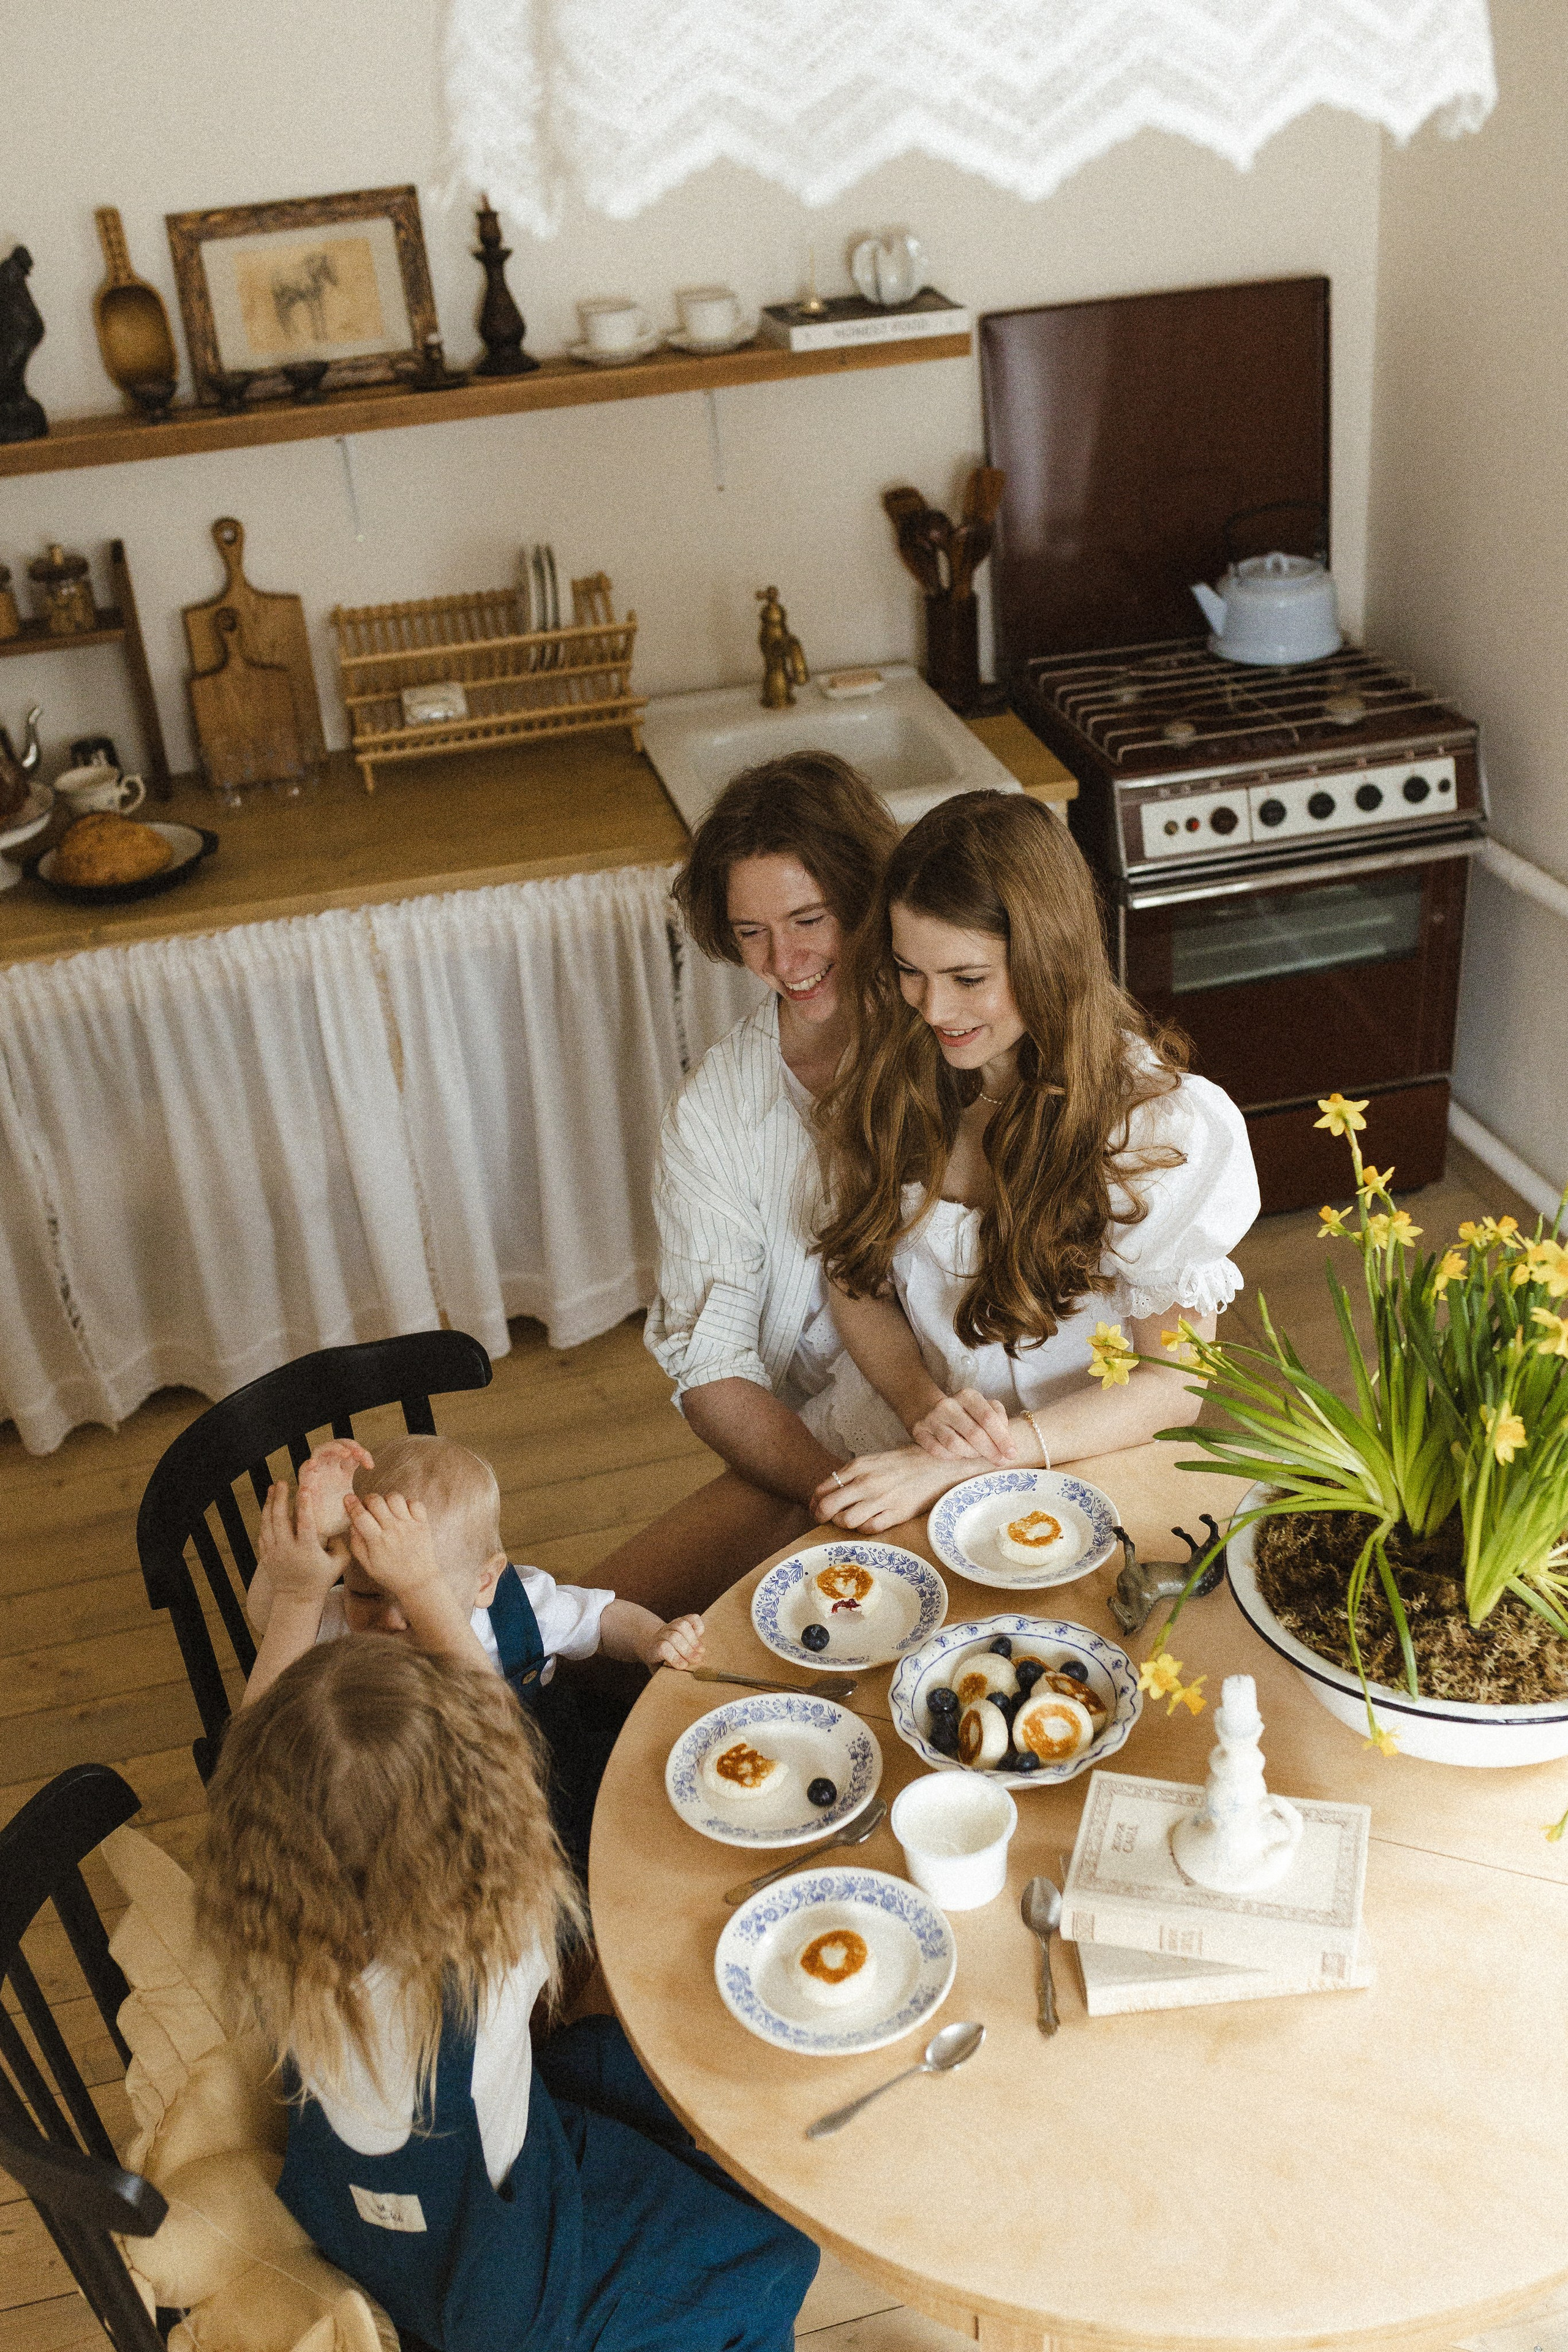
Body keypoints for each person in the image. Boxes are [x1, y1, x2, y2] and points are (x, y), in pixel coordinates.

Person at [195, 1640, 820, 2352]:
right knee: (772, 2257)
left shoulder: (266, 1938)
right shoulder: (495, 1955)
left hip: (371, 2235)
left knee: (606, 2056)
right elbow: (518, 1771)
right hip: (513, 2301)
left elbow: (264, 1770)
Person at [809, 788, 1261, 1532]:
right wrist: (930, 1415)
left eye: (967, 978)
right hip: (916, 1441)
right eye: (908, 971)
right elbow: (857, 1286)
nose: (932, 1010)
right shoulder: (892, 1073)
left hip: (1092, 1460)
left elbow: (1175, 1385)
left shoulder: (1154, 1128)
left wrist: (976, 1461)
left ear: (1049, 958)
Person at [602, 753, 907, 1616]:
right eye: (750, 933)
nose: (786, 959)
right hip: (821, 1448)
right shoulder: (713, 1115)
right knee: (588, 1637)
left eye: (809, 918)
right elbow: (714, 1368)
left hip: (982, 1421)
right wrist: (837, 1495)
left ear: (865, 891)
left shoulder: (951, 1027)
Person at [243, 1433, 703, 1872]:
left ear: (485, 1581)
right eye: (368, 1595)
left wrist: (650, 1637)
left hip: (542, 1771)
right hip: (417, 1811)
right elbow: (272, 1614)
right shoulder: (339, 1622)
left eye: (419, 1590)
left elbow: (602, 1620)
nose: (392, 1620)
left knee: (631, 1810)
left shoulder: (517, 1608)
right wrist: (299, 1544)